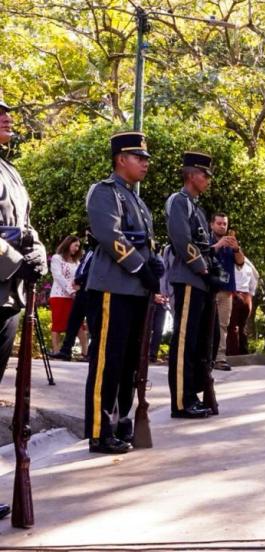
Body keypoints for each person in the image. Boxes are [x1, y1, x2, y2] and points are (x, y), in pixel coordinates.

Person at [84, 131, 163, 454]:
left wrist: (154, 264)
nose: (145, 163)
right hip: (112, 288)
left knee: (131, 362)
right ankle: (100, 431)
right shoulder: (105, 192)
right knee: (108, 361)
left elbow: (146, 242)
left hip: (135, 291)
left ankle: (121, 422)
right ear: (121, 159)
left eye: (145, 158)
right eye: (139, 157)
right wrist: (140, 268)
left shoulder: (137, 200)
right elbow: (110, 235)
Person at [0, 98, 49, 518]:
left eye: (7, 112)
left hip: (7, 295)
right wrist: (17, 257)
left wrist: (39, 254)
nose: (7, 118)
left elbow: (26, 228)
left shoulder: (10, 172)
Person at [165, 152, 216, 419]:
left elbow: (203, 244)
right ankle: (181, 401)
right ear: (191, 175)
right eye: (204, 175)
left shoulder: (196, 208)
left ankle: (192, 394)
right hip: (187, 278)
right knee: (184, 342)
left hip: (200, 282)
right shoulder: (179, 202)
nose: (207, 179)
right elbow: (181, 239)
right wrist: (202, 267)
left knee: (197, 342)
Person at [51, 230, 95, 361]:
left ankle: (85, 352)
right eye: (75, 245)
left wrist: (77, 289)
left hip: (75, 296)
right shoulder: (57, 258)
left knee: (78, 325)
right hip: (60, 295)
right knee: (58, 325)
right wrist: (71, 290)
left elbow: (79, 276)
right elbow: (58, 276)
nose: (77, 248)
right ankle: (57, 351)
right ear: (68, 244)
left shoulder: (77, 261)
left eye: (78, 246)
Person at [209, 213, 244, 370]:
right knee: (206, 324)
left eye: (225, 223)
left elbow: (241, 262)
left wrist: (236, 248)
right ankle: (205, 358)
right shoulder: (206, 240)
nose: (222, 226)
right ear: (212, 225)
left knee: (223, 325)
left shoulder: (232, 243)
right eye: (219, 223)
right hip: (209, 289)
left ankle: (220, 358)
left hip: (226, 290)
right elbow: (204, 255)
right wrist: (218, 245)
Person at [227, 257, 259, 356]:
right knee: (242, 327)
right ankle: (243, 352)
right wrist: (250, 295)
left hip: (234, 294)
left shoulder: (229, 260)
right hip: (246, 296)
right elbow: (255, 277)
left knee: (232, 326)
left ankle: (233, 354)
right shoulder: (248, 264)